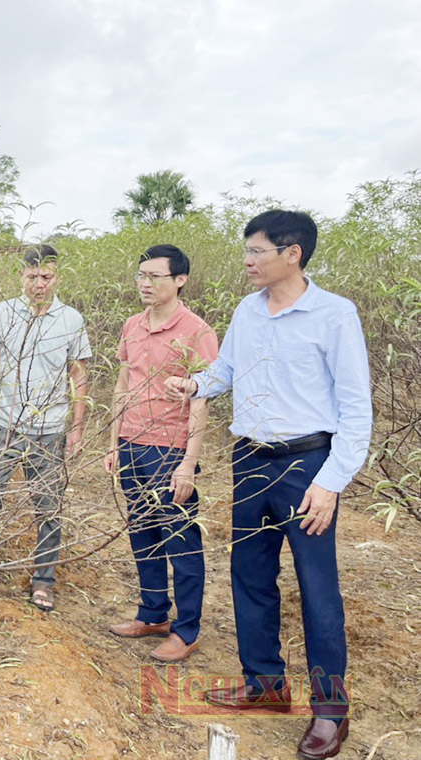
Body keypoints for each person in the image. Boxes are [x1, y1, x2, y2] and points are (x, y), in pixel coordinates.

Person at [166, 210, 371, 760]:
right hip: (250, 461)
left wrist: (330, 483)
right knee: (250, 575)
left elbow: (356, 409)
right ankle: (265, 685)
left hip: (308, 465)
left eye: (257, 251)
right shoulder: (247, 311)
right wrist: (195, 383)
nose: (248, 261)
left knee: (316, 588)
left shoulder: (334, 315)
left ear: (292, 253)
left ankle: (331, 712)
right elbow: (226, 371)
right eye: (247, 251)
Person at [0, 244, 92, 611]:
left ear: (56, 277)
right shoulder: (3, 313)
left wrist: (76, 429)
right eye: (32, 276)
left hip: (49, 428)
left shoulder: (71, 320)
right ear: (21, 276)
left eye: (46, 277)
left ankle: (43, 581)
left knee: (48, 505)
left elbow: (79, 379)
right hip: (2, 423)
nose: (39, 284)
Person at [104, 245, 218, 662]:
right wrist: (114, 442)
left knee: (180, 540)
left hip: (170, 450)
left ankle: (186, 630)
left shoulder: (197, 332)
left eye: (155, 277)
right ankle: (153, 614)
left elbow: (202, 401)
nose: (145, 284)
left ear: (180, 280)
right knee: (142, 533)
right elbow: (122, 384)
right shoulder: (132, 325)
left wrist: (188, 463)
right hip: (132, 445)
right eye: (141, 276)